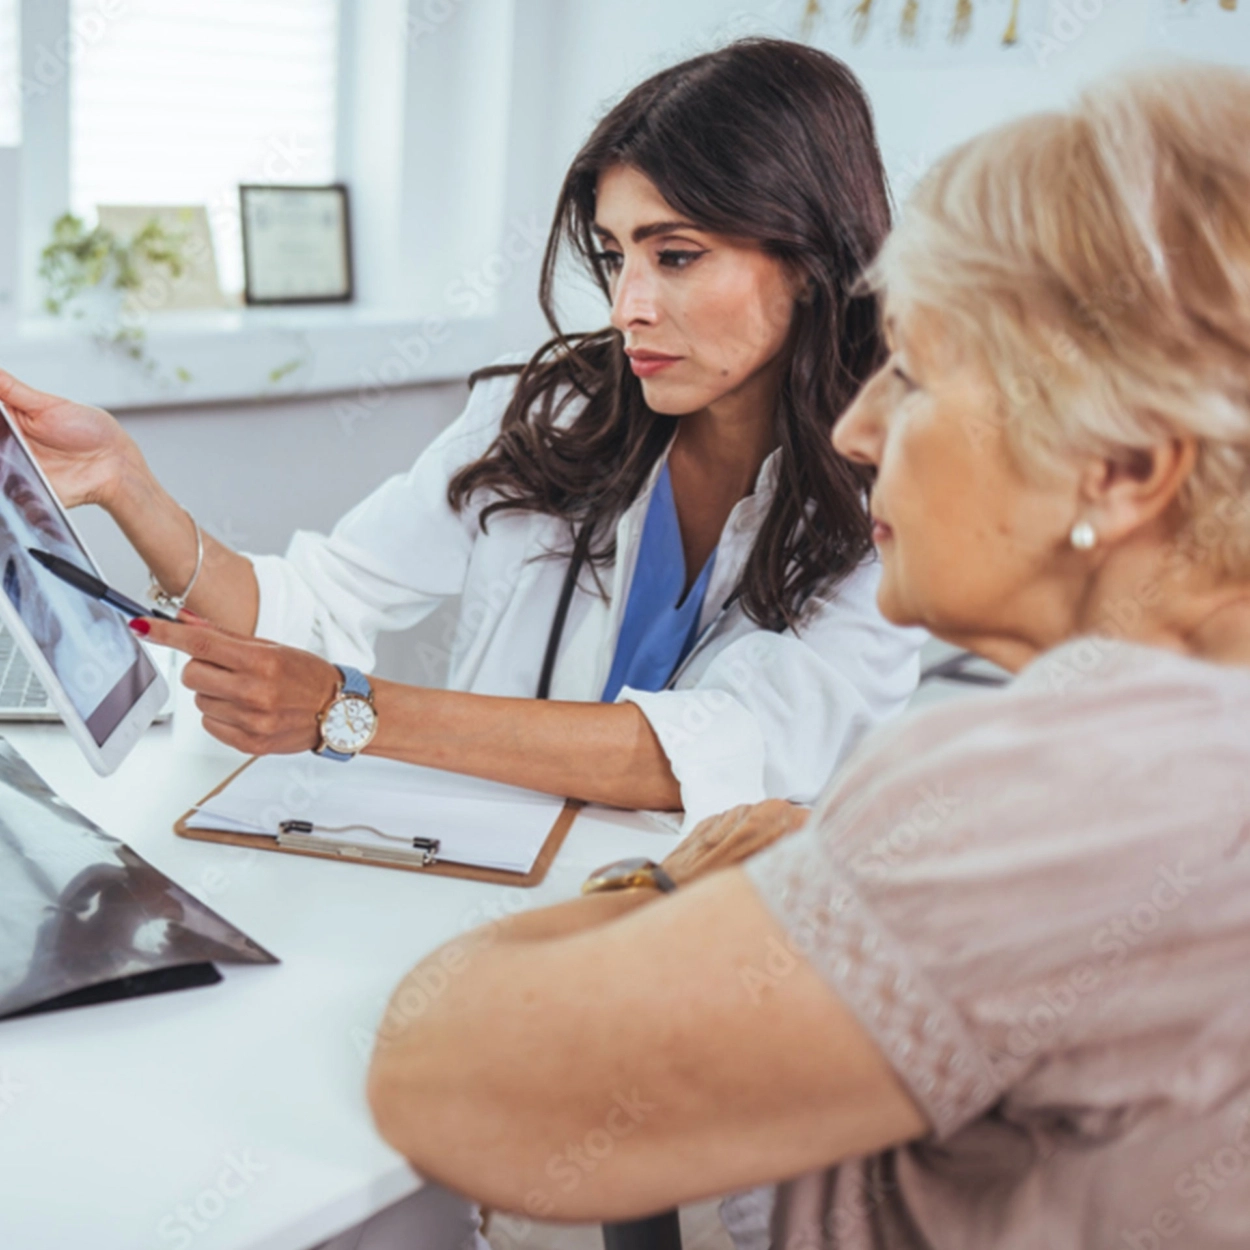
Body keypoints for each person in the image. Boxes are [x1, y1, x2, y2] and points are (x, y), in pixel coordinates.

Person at [363, 64, 1250, 1249]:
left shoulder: (1092, 787)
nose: (858, 426)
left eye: (921, 373)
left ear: (1127, 466)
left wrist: (671, 887)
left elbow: (450, 1079)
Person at [0, 39, 921, 834]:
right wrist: (128, 483)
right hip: (479, 883)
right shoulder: (551, 415)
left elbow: (721, 744)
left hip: (707, 934)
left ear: (806, 260)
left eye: (675, 256)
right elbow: (316, 607)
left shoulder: (898, 493)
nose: (628, 306)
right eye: (613, 256)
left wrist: (348, 709)